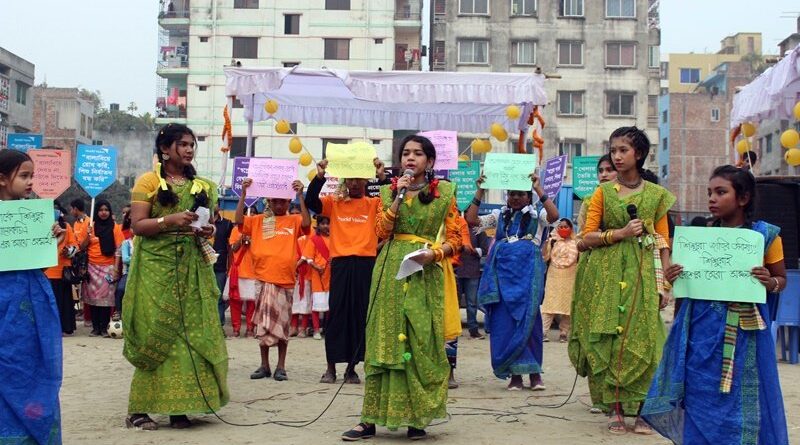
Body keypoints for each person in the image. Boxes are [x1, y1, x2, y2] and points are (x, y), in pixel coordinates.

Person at [642, 165, 789, 443]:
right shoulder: (699, 239)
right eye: (710, 192)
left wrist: (770, 282)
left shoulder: (764, 237)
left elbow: (781, 279)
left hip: (746, 338)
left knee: (744, 398)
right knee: (699, 396)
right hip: (700, 336)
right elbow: (686, 293)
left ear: (743, 198)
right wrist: (674, 277)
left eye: (721, 192)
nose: (712, 198)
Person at [342, 134, 461, 441]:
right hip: (391, 271)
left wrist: (433, 254)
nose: (410, 158)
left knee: (417, 343)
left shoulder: (445, 193)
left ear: (430, 161)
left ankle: (416, 420)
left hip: (424, 270)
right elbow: (381, 230)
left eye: (418, 154)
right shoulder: (386, 192)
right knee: (385, 341)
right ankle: (369, 419)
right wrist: (397, 195)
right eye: (405, 153)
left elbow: (457, 239)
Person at [124, 123, 229, 430]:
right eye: (182, 144)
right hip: (156, 271)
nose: (188, 149)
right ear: (165, 148)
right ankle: (139, 410)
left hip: (191, 269)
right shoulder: (147, 181)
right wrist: (169, 220)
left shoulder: (203, 186)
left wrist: (207, 229)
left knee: (189, 337)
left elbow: (209, 225)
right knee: (155, 336)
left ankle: (179, 408)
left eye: (191, 144)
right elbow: (138, 226)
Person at [572, 126, 675, 434]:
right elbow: (584, 238)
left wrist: (666, 281)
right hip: (605, 273)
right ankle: (615, 409)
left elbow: (662, 239)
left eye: (622, 151)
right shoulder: (602, 194)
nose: (616, 157)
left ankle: (642, 411)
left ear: (639, 154)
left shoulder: (656, 195)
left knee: (645, 339)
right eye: (613, 150)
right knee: (610, 339)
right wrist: (619, 234)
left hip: (642, 272)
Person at [466, 172, 559, 391]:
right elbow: (471, 220)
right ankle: (514, 376)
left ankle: (535, 375)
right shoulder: (499, 216)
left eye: (520, 194)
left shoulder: (539, 216)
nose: (515, 198)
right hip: (502, 280)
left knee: (530, 323)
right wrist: (480, 189)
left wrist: (538, 188)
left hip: (528, 279)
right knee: (505, 325)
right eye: (511, 194)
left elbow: (555, 216)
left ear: (528, 197)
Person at [0, 149, 63, 444]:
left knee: (36, 367)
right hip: (4, 302)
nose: (30, 182)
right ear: (2, 179)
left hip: (32, 304)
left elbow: (38, 262)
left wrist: (54, 241)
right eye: (24, 176)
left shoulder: (37, 215)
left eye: (32, 176)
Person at [305, 157, 385, 385]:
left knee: (360, 316)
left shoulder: (374, 204)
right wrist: (319, 176)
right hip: (339, 264)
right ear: (345, 181)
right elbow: (311, 201)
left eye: (360, 179)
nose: (356, 183)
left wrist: (382, 176)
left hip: (365, 264)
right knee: (336, 315)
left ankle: (352, 368)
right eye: (351, 179)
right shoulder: (335, 203)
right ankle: (330, 367)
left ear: (366, 180)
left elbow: (392, 205)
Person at [236, 178, 311, 382]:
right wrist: (243, 194)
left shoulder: (294, 220)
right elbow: (240, 222)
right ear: (268, 201)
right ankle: (264, 365)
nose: (279, 205)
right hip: (262, 279)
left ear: (288, 202)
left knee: (283, 326)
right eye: (275, 201)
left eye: (283, 201)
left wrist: (301, 195)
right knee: (263, 324)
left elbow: (306, 224)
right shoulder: (260, 220)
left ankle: (281, 366)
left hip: (285, 281)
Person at [569, 154, 617, 414]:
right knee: (593, 331)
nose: (604, 174)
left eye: (609, 170)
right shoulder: (590, 202)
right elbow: (581, 240)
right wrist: (602, 239)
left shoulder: (633, 200)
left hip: (625, 272)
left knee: (617, 334)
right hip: (594, 270)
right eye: (601, 170)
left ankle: (620, 396)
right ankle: (598, 397)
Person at [80, 199, 123, 337]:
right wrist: (87, 234)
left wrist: (116, 269)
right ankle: (95, 328)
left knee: (106, 300)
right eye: (100, 210)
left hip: (108, 268)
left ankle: (104, 328)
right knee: (92, 299)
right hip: (91, 267)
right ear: (96, 211)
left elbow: (118, 250)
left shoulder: (115, 228)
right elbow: (82, 246)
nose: (103, 213)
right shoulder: (90, 226)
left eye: (106, 210)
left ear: (110, 212)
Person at [541, 218, 579, 343]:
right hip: (554, 276)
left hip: (570, 276)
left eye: (565, 227)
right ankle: (543, 332)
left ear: (571, 229)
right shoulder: (552, 241)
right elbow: (545, 257)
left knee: (568, 307)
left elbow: (580, 259)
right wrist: (546, 244)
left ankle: (563, 333)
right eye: (560, 227)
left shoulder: (577, 242)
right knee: (549, 305)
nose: (563, 229)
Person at [455, 213, 490, 340]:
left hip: (472, 271)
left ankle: (473, 330)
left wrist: (473, 251)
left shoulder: (478, 229)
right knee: (454, 302)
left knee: (472, 303)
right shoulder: (455, 225)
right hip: (456, 270)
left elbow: (485, 249)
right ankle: (454, 329)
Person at [45, 203, 79, 336]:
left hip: (61, 271)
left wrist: (68, 251)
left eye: (56, 209)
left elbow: (74, 247)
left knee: (63, 301)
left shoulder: (66, 227)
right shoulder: (38, 227)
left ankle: (64, 326)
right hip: (45, 272)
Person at [302, 215, 332, 340]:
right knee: (317, 304)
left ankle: (327, 329)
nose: (325, 226)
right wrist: (316, 267)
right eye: (323, 223)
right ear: (318, 225)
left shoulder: (334, 239)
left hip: (331, 274)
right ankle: (315, 330)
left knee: (329, 304)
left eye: (327, 223)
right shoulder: (314, 239)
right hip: (317, 274)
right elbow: (308, 258)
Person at [227, 219, 258, 338]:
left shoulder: (258, 231)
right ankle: (236, 328)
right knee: (235, 302)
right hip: (238, 271)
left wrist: (251, 242)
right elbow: (233, 248)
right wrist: (241, 239)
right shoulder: (236, 230)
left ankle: (250, 328)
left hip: (253, 271)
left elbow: (261, 251)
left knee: (252, 303)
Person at [70, 198, 91, 327]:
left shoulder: (89, 222)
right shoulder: (75, 224)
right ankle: (82, 311)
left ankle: (88, 315)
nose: (71, 211)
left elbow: (85, 242)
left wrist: (80, 248)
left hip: (86, 257)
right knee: (79, 286)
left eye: (71, 209)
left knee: (87, 285)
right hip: (77, 257)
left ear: (76, 209)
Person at [212, 205, 235, 326]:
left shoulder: (227, 224)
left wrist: (229, 266)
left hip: (220, 266)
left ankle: (219, 325)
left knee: (219, 297)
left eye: (215, 202)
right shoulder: (200, 221)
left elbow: (230, 247)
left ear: (219, 206)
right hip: (201, 265)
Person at [290, 233, 313, 337]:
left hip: (307, 275)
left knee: (305, 301)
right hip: (294, 276)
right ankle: (293, 327)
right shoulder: (292, 239)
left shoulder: (310, 237)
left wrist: (296, 265)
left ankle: (303, 328)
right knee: (294, 301)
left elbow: (307, 257)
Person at [113, 207, 134, 321]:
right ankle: (118, 311)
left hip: (142, 272)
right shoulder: (126, 243)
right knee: (120, 289)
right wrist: (138, 259)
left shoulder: (145, 243)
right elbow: (125, 259)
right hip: (128, 273)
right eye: (132, 227)